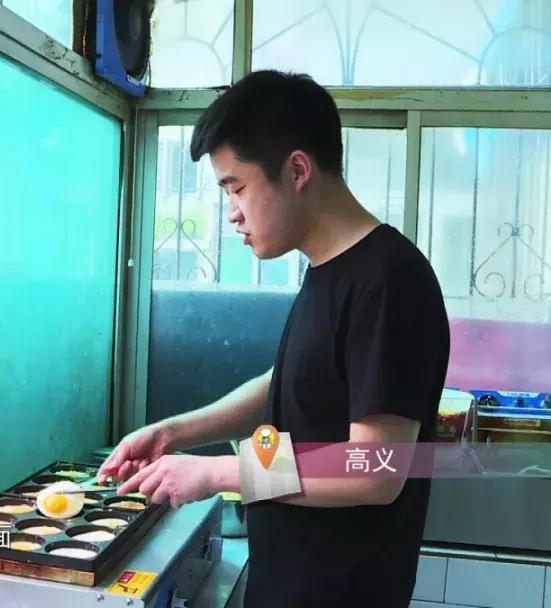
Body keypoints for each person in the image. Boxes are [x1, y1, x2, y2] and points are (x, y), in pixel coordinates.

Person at [98, 70, 450, 607]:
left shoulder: (387, 281)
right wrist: (174, 433)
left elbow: (376, 470)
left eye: (236, 188)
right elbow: (285, 384)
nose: (232, 212)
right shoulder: (327, 269)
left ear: (298, 170)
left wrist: (217, 472)